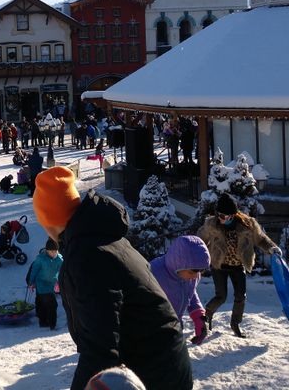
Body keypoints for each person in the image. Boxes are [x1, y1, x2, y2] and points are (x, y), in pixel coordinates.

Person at [33, 166, 192, 390]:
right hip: (162, 364)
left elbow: (101, 349)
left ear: (49, 218)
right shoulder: (99, 237)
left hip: (154, 373)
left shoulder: (87, 256)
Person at [197, 192, 279, 338]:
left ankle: (235, 323)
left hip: (237, 265)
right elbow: (199, 240)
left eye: (226, 216)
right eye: (220, 215)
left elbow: (261, 239)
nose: (222, 219)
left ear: (233, 214)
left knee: (241, 296)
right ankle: (207, 314)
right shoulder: (211, 224)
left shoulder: (248, 224)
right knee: (221, 296)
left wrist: (271, 248)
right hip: (219, 265)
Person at [150, 235, 211, 345]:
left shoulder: (191, 274)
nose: (196, 277)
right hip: (152, 331)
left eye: (200, 272)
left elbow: (188, 292)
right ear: (178, 264)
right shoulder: (154, 272)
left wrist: (199, 317)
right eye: (192, 272)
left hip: (175, 327)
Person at [27, 238, 64, 330]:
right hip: (41, 283)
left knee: (42, 302)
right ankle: (50, 324)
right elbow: (34, 271)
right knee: (51, 304)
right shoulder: (40, 259)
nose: (54, 253)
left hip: (52, 283)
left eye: (55, 251)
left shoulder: (59, 259)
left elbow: (62, 271)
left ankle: (45, 321)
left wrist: (59, 282)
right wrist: (31, 282)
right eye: (51, 251)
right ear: (47, 251)